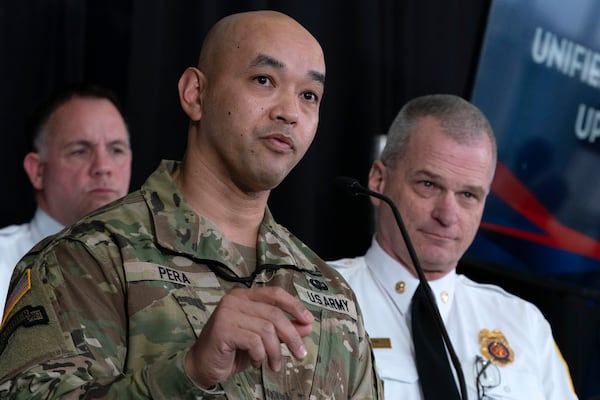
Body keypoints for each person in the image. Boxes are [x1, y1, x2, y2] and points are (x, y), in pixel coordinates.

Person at [0, 10, 382, 399]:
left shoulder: (331, 295)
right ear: (195, 94)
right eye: (264, 80)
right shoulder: (86, 260)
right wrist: (188, 372)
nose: (290, 112)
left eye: (309, 95)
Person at [329, 94, 578, 399]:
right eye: (428, 185)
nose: (447, 215)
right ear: (378, 180)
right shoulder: (318, 301)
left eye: (468, 196)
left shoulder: (525, 325)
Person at [0, 83, 132, 306]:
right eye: (79, 151)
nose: (103, 166)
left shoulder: (153, 267)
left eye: (116, 150)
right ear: (38, 170)